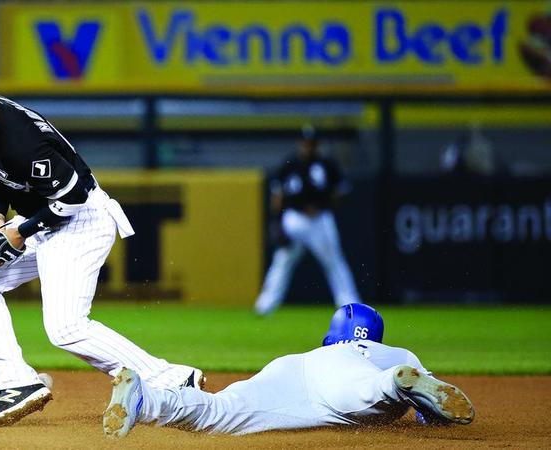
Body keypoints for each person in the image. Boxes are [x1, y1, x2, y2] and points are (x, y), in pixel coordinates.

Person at [0, 61, 204, 427]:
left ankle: (173, 381)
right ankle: (17, 383)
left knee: (66, 328)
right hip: (45, 218)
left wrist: (19, 232)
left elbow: (74, 197)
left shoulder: (21, 137)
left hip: (82, 219)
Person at [103, 303, 475, 438]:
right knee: (370, 391)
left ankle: (146, 400)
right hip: (352, 379)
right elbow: (435, 418)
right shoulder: (397, 353)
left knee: (219, 409)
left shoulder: (324, 349)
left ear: (334, 334)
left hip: (292, 368)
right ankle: (392, 385)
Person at [254, 125, 360, 315]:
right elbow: (277, 196)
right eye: (305, 142)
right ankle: (266, 305)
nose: (308, 146)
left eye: (312, 143)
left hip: (320, 219)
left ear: (317, 144)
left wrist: (325, 205)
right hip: (295, 218)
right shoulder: (290, 165)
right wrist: (277, 223)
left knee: (334, 262)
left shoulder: (327, 165)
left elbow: (341, 191)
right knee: (282, 261)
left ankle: (350, 306)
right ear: (300, 143)